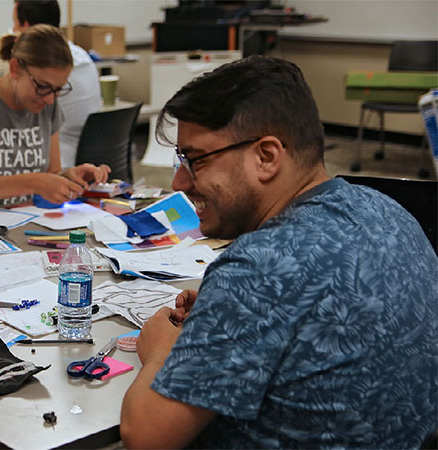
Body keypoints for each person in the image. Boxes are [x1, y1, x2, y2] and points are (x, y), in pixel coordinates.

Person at [120, 55, 438, 448]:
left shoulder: (260, 266)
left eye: (196, 159)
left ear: (267, 156)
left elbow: (145, 437)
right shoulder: (388, 211)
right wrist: (228, 310)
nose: (179, 180)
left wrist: (159, 350)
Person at [0, 24, 110, 207]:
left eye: (58, 90)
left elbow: (52, 173)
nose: (50, 99)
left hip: (23, 222)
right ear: (15, 68)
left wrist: (68, 178)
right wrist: (35, 182)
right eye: (42, 86)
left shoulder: (46, 105)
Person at [12, 0, 101, 169]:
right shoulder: (81, 55)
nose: (14, 30)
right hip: (88, 151)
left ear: (27, 26)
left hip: (58, 158)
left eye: (16, 23)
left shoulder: (44, 65)